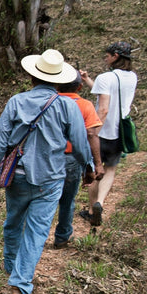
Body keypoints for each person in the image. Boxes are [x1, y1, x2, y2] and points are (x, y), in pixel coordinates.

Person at [0, 50, 93, 294]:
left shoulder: (16, 102)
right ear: (59, 81)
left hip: (16, 176)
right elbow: (80, 142)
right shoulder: (67, 106)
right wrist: (88, 166)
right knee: (38, 230)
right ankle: (20, 285)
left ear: (32, 76)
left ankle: (11, 266)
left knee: (13, 221)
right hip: (50, 179)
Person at [80, 41, 137, 227]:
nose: (105, 57)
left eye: (108, 54)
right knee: (110, 169)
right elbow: (106, 92)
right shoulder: (132, 77)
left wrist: (94, 131)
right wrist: (88, 80)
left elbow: (103, 108)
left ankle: (90, 211)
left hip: (102, 132)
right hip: (119, 132)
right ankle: (100, 203)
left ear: (116, 56)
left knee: (96, 168)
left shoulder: (106, 77)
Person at [53, 71, 104, 248]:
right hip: (72, 158)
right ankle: (62, 236)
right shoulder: (85, 105)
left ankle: (37, 235)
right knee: (67, 200)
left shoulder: (50, 102)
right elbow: (91, 133)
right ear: (80, 87)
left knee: (46, 198)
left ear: (57, 85)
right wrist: (96, 164)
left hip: (47, 157)